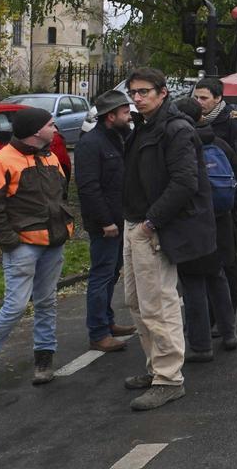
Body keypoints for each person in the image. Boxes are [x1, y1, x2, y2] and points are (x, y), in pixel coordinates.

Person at [122, 67, 216, 411]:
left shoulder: (175, 130)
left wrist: (150, 223)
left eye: (144, 91)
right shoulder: (144, 127)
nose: (137, 98)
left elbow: (184, 183)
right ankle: (155, 367)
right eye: (133, 92)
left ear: (163, 93)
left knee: (159, 305)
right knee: (136, 302)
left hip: (154, 228)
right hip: (135, 224)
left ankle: (169, 379)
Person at [0, 107, 71, 395]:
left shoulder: (49, 156)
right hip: (23, 246)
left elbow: (60, 193)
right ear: (37, 131)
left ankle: (44, 361)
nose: (55, 129)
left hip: (52, 242)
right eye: (51, 125)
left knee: (47, 301)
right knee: (15, 306)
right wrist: (11, 242)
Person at [173, 98, 237, 360]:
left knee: (192, 285)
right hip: (220, 221)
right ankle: (229, 332)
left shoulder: (180, 144)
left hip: (191, 222)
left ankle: (200, 344)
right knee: (218, 277)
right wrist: (231, 211)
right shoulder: (219, 143)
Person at [75, 90, 137, 353]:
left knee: (111, 274)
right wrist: (105, 222)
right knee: (101, 276)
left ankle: (108, 322)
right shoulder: (91, 144)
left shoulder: (121, 138)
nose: (129, 116)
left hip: (120, 220)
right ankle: (98, 333)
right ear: (110, 116)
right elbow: (88, 188)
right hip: (106, 225)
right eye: (125, 112)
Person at [192, 77, 237, 310]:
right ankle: (208, 314)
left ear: (218, 98)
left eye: (204, 98)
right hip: (201, 208)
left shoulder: (233, 123)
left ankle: (228, 313)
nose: (199, 102)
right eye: (196, 97)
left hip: (225, 207)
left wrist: (234, 204)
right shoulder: (194, 123)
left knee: (226, 263)